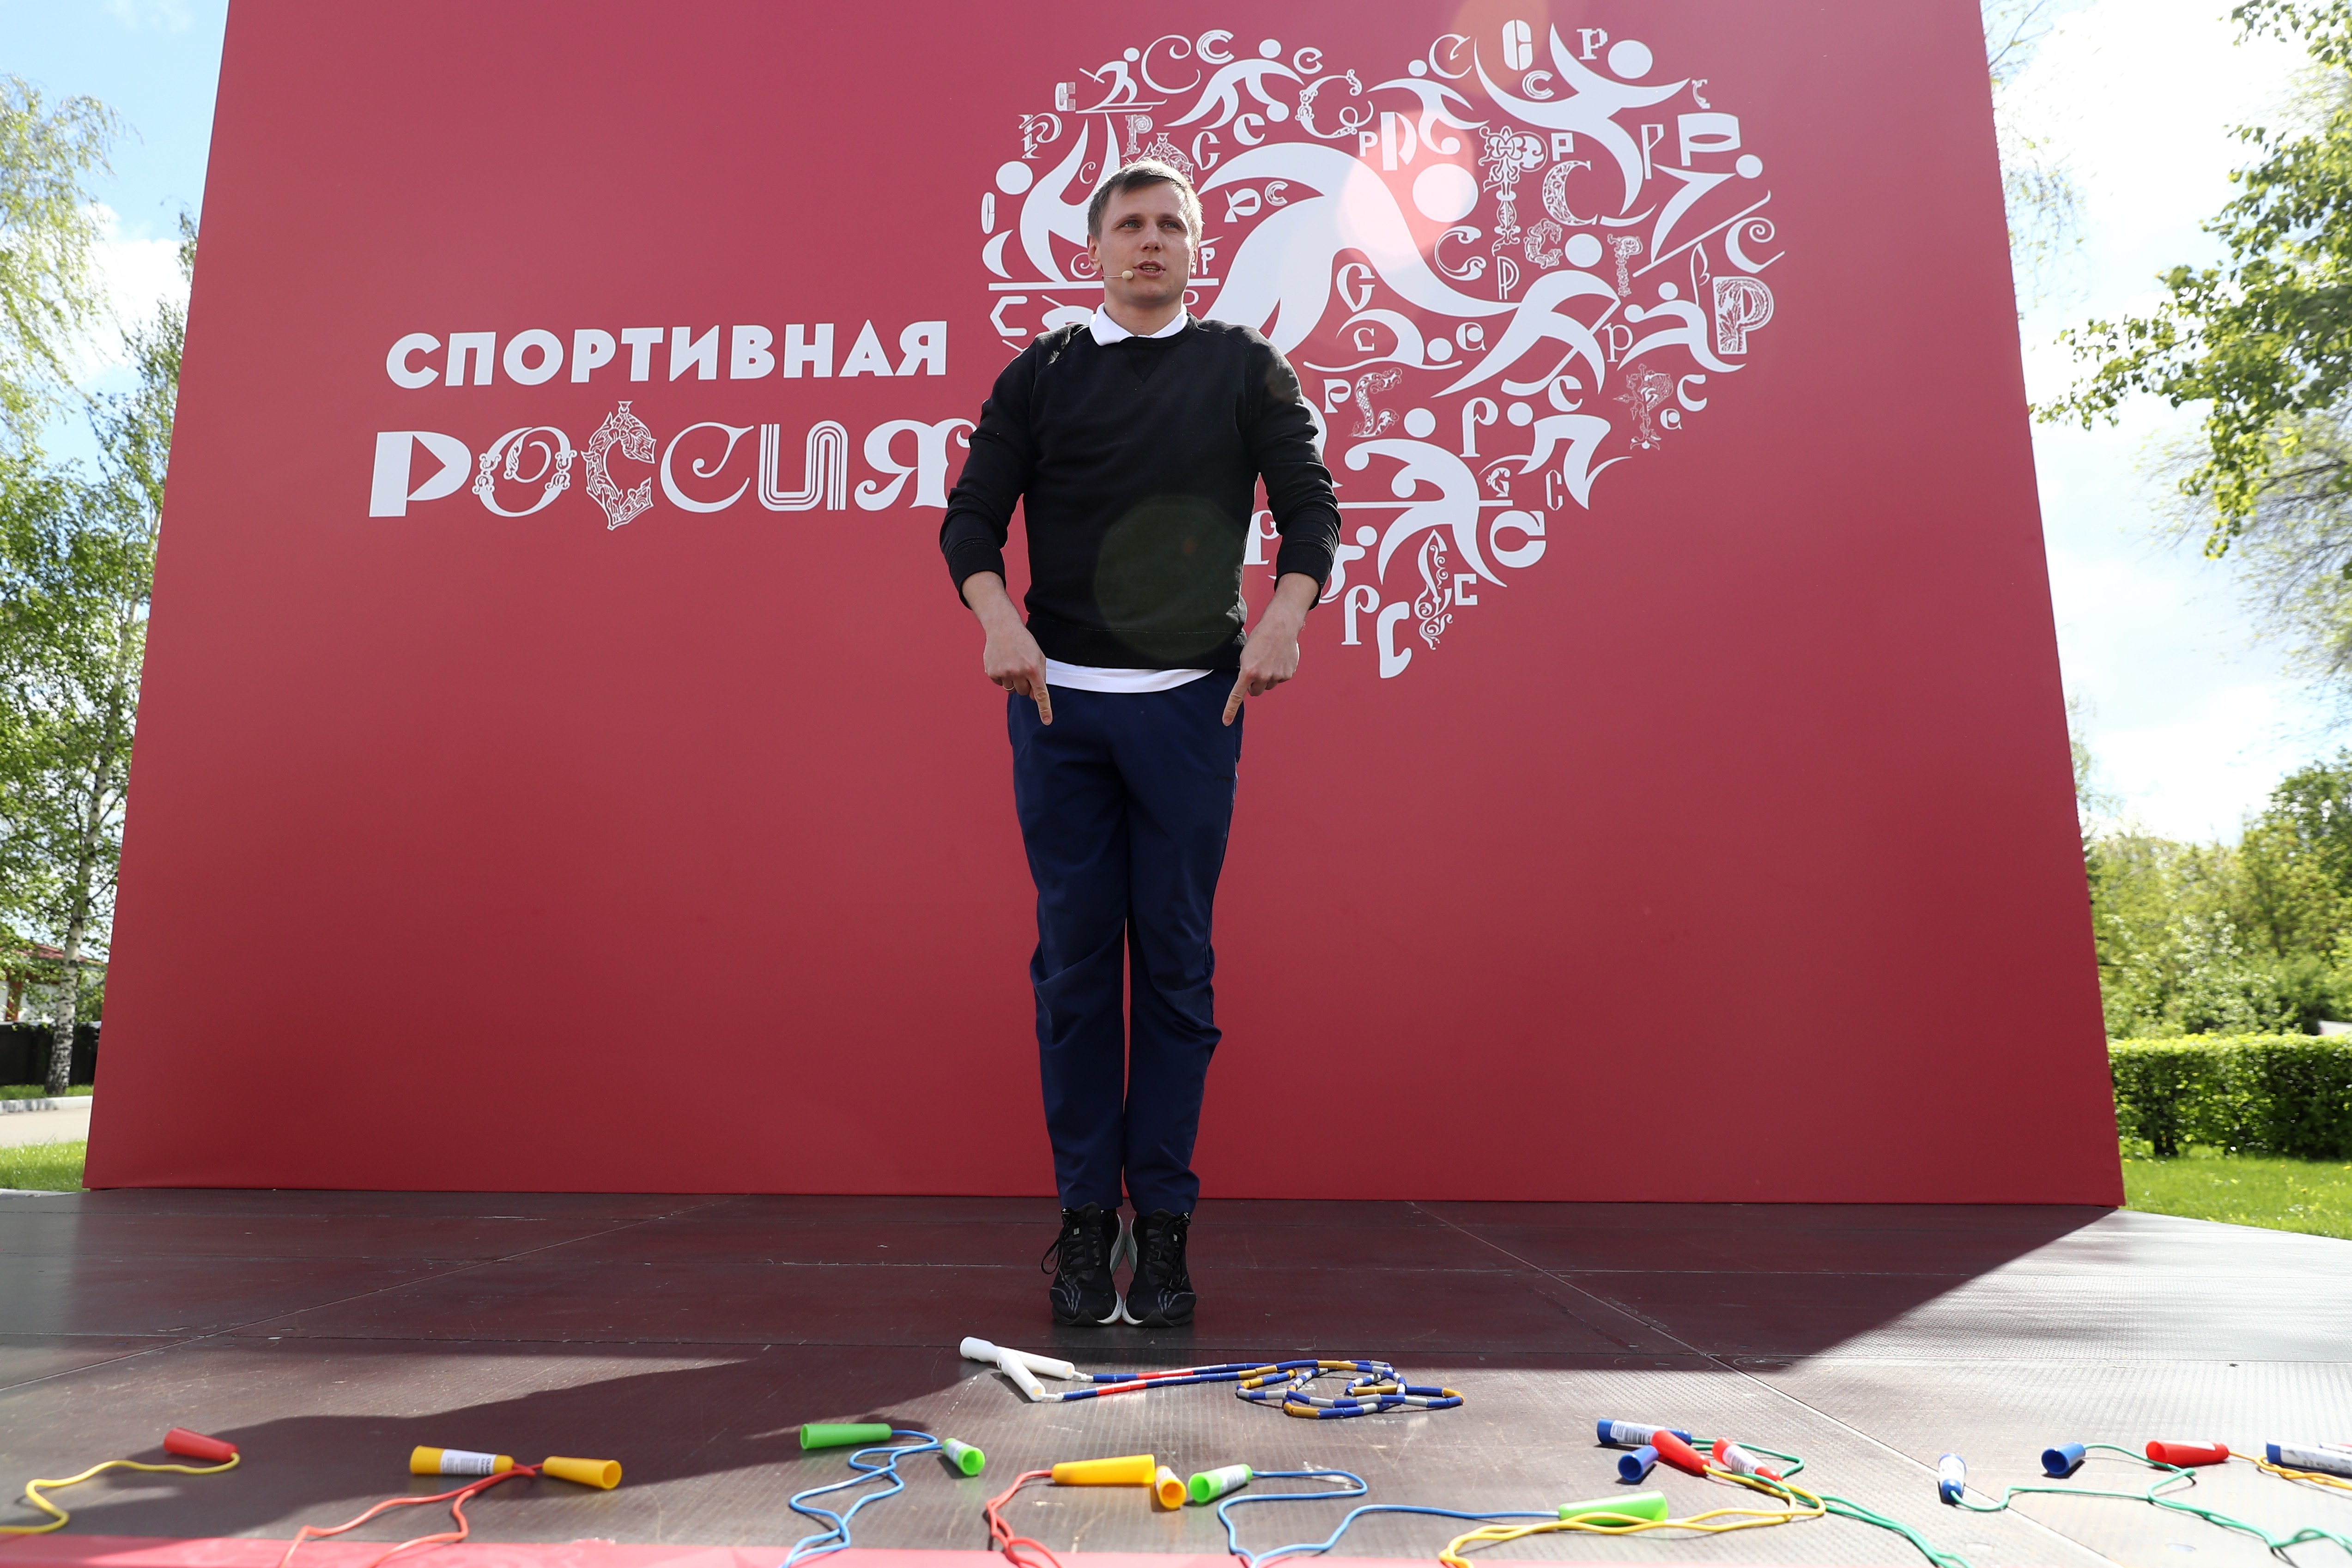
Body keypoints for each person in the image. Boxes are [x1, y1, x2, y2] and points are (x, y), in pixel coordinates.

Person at [939, 160, 1340, 1326]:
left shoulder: (1244, 366)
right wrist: (996, 618)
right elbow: (971, 516)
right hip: (1057, 707)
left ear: (1196, 248)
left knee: (1174, 968)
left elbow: (1309, 504)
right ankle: (1083, 1223)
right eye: (1130, 225)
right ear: (1096, 249)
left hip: (1188, 708)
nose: (1150, 240)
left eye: (1170, 225)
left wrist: (1284, 614)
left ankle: (1161, 1230)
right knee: (1074, 974)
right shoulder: (1042, 372)